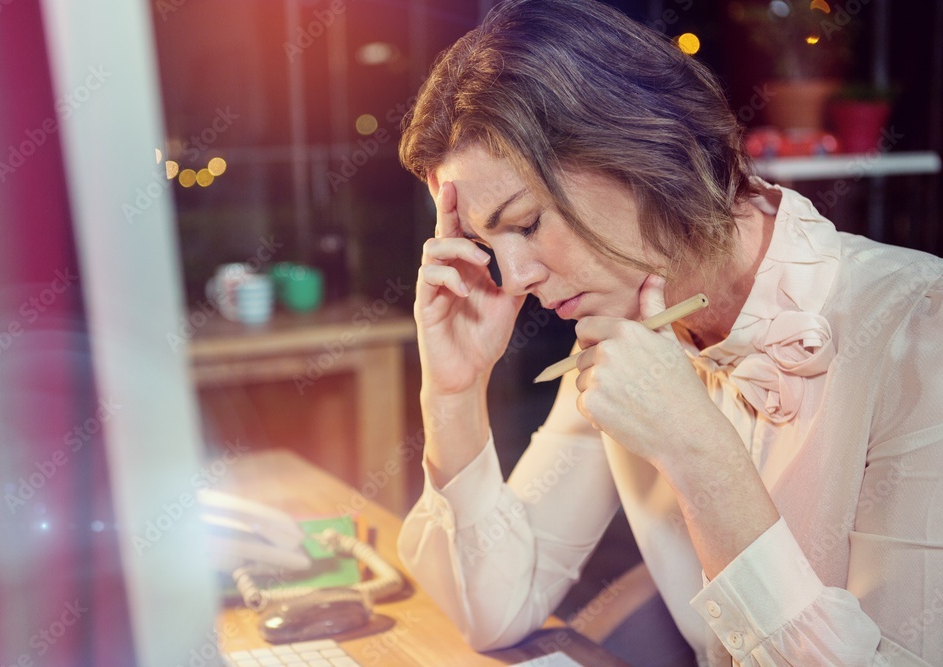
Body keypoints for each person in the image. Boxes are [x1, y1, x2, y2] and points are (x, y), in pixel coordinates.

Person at [393, 0, 943, 665]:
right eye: (487, 242)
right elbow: (495, 609)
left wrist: (695, 451)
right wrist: (453, 392)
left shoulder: (920, 325)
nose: (511, 278)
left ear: (634, 144)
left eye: (528, 222)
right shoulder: (624, 334)